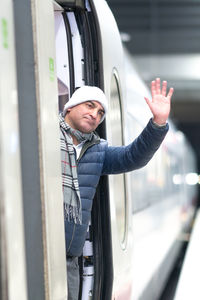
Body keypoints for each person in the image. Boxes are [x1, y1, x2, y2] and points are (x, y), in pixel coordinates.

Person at [59, 78, 174, 300]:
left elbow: (133, 157)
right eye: (89, 105)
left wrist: (158, 123)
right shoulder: (44, 136)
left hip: (69, 259)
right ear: (71, 106)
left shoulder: (98, 151)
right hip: (38, 245)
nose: (95, 114)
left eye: (101, 112)